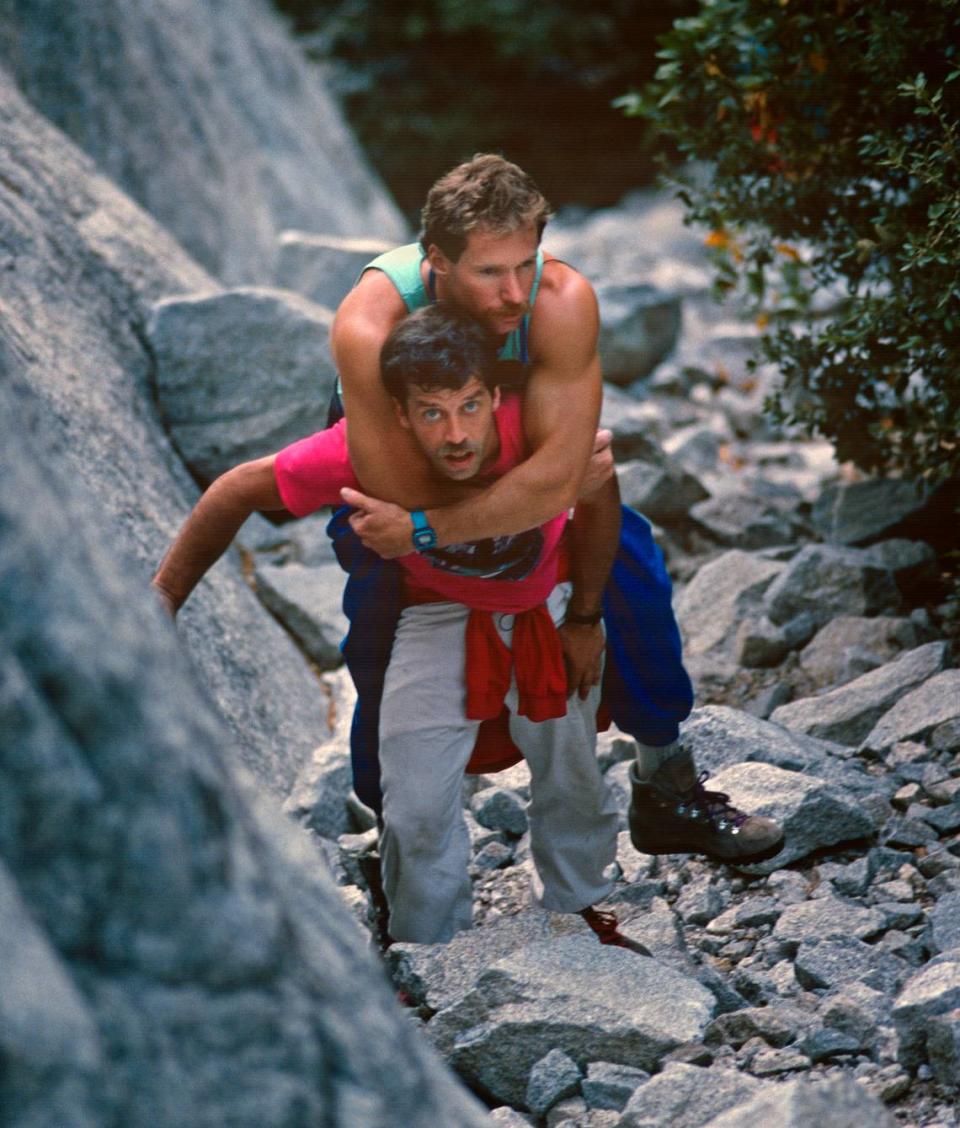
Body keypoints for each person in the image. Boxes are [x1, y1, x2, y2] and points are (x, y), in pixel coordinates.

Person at [328, 153, 783, 865]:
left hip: (499, 451)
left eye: (525, 264)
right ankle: (394, 837)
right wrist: (528, 489)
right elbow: (395, 494)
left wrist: (578, 608)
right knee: (378, 611)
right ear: (435, 263)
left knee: (627, 554)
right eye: (488, 272)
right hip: (407, 456)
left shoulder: (561, 301)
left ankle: (667, 786)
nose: (514, 293)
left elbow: (566, 480)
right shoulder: (369, 325)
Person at [152, 305, 643, 949]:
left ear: (496, 395)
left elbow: (601, 493)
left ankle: (584, 914)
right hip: (435, 614)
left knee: (572, 773)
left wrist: (585, 618)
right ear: (401, 416)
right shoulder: (361, 449)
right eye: (432, 413)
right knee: (410, 802)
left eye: (469, 406)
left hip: (546, 604)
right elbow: (237, 490)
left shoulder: (542, 427)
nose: (456, 433)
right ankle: (425, 950)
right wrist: (163, 596)